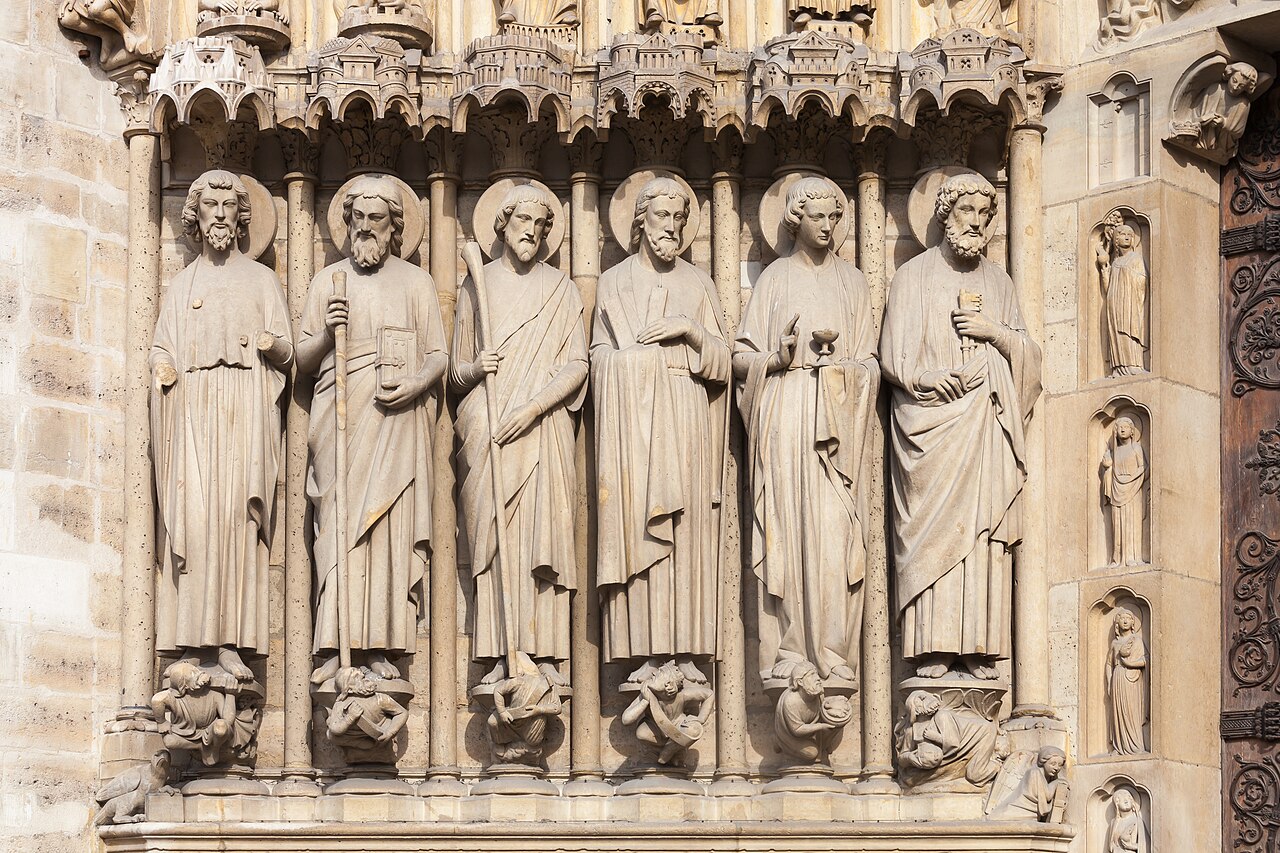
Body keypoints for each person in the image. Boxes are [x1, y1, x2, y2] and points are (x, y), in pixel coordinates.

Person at [880, 172, 1042, 681]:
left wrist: (995, 332)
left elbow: (1029, 358)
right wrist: (927, 376)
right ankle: (933, 645)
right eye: (967, 212)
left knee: (983, 534)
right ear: (946, 215)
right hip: (932, 425)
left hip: (985, 425)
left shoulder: (999, 283)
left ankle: (978, 645)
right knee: (934, 535)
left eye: (986, 215)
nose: (978, 223)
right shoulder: (913, 277)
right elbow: (892, 356)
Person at [300, 174, 447, 685]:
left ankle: (383, 642)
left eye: (376, 220)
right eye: (357, 219)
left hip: (398, 423)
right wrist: (325, 333)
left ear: (394, 227)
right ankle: (336, 639)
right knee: (338, 527)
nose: (365, 229)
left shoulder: (416, 283)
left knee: (388, 532)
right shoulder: (327, 282)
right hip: (340, 420)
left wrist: (414, 386)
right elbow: (300, 360)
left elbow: (438, 356)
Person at [735, 175, 879, 686]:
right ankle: (791, 648)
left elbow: (871, 364)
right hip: (788, 418)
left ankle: (834, 649)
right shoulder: (774, 280)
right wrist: (779, 357)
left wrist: (843, 369)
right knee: (790, 532)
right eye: (817, 217)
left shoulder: (853, 283)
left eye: (834, 217)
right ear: (796, 220)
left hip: (838, 425)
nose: (827, 226)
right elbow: (741, 357)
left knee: (834, 535)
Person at [151, 170, 292, 684]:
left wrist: (271, 345)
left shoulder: (261, 281)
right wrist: (162, 368)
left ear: (240, 216)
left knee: (236, 525)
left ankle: (232, 642)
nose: (218, 215)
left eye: (228, 206)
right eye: (209, 206)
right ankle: (192, 642)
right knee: (194, 520)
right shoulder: (181, 285)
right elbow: (163, 345)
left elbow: (287, 351)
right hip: (192, 414)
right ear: (196, 215)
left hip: (243, 413)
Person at [592, 177, 730, 674]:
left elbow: (725, 363)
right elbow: (598, 359)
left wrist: (691, 332)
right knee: (639, 531)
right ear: (640, 221)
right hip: (634, 428)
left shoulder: (698, 284)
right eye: (661, 217)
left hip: (688, 416)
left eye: (679, 219)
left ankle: (686, 650)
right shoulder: (613, 282)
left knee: (688, 538)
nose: (670, 227)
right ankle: (643, 650)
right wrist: (631, 365)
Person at [453, 184, 587, 671]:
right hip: (489, 429)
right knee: (493, 543)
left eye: (540, 224)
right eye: (522, 221)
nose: (531, 231)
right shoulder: (477, 286)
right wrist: (475, 368)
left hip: (544, 429)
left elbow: (577, 366)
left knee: (542, 539)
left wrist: (533, 408)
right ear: (503, 225)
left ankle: (546, 652)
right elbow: (455, 371)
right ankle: (499, 651)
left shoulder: (561, 289)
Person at [1102, 418, 1147, 567]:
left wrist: (1132, 480)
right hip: (1117, 489)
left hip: (1132, 488)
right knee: (1117, 523)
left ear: (1132, 430)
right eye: (1119, 427)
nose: (1122, 429)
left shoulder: (1136, 448)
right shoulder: (1114, 452)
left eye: (1126, 427)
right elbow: (1109, 468)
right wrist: (1107, 465)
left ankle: (1132, 556)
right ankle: (1117, 558)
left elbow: (1143, 468)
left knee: (1131, 521)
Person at [1106, 606, 1148, 754]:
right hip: (1118, 678)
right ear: (1117, 623)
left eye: (1128, 618)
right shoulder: (1115, 643)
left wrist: (1130, 663)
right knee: (1118, 714)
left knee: (1131, 712)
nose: (1125, 620)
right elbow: (1109, 664)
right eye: (1122, 618)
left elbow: (1145, 660)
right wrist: (1109, 682)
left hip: (1132, 679)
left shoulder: (1137, 641)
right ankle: (1119, 746)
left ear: (1133, 623)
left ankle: (1136, 745)